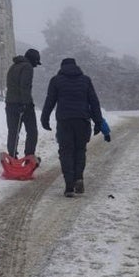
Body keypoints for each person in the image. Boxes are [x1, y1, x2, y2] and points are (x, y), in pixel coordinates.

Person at [40, 58, 108, 197]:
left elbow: (50, 100)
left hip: (64, 121)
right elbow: (94, 102)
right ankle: (79, 178)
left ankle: (69, 186)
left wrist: (44, 118)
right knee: (79, 150)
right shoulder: (85, 80)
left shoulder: (56, 80)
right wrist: (98, 122)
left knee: (66, 152)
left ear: (62, 67)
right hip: (82, 120)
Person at [4, 49, 41, 159]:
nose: (35, 66)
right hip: (23, 104)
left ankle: (12, 156)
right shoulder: (27, 67)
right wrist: (26, 103)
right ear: (33, 59)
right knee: (32, 131)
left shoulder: (13, 66)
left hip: (10, 103)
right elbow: (24, 86)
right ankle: (29, 156)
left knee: (13, 132)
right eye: (36, 62)